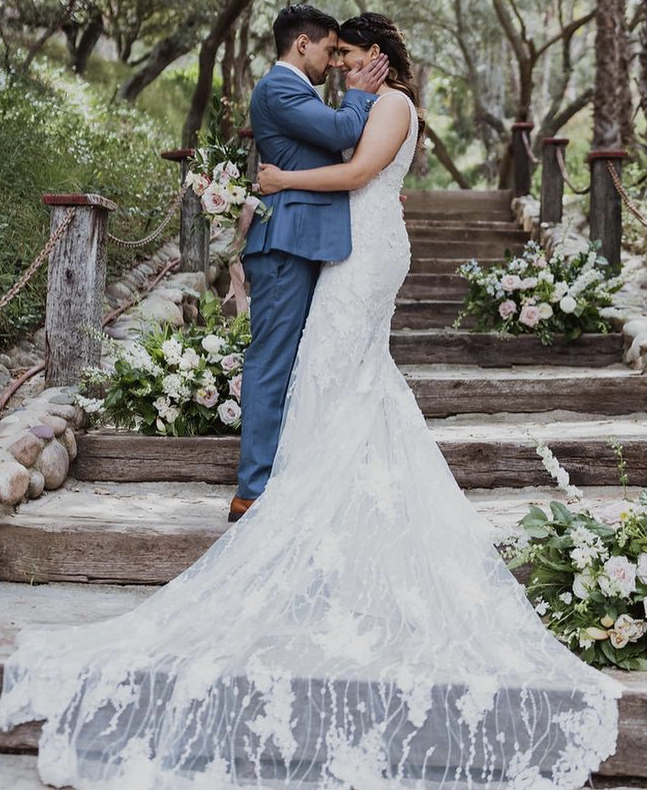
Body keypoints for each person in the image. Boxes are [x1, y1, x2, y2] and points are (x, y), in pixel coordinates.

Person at [0, 11, 622, 790]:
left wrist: (282, 180)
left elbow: (358, 170)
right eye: (339, 57)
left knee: (346, 370)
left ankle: (318, 495)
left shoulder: (391, 103)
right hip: (343, 244)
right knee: (333, 372)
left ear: (378, 59)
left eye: (353, 57)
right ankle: (309, 488)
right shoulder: (348, 96)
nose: (343, 67)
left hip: (365, 248)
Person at [230, 4, 389, 522]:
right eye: (328, 50)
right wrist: (363, 94)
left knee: (296, 361)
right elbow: (343, 132)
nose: (333, 63)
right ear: (302, 44)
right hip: (283, 246)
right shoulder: (281, 88)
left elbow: (328, 153)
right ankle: (251, 491)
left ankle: (282, 478)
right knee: (272, 360)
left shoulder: (295, 91)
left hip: (308, 241)